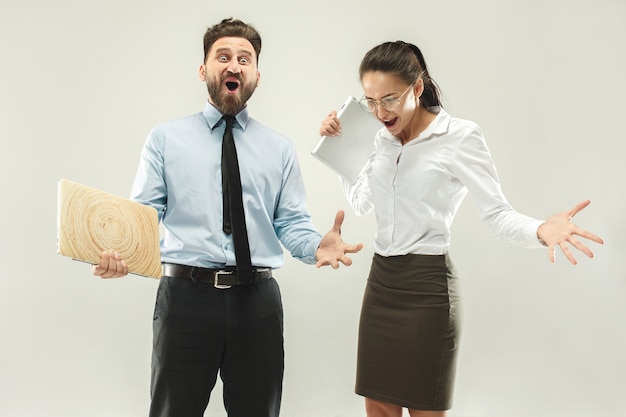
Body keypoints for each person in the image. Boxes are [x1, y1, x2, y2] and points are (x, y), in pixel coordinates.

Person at [91, 18, 363, 417]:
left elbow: (289, 222)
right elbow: (144, 216)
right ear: (204, 70)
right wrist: (120, 254)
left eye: (244, 59)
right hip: (185, 299)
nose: (233, 65)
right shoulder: (165, 139)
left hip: (257, 304)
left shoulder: (279, 149)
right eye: (223, 57)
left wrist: (315, 244)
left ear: (256, 75)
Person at [319, 40, 604, 417]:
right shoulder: (381, 139)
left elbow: (498, 215)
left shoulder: (459, 137)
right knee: (380, 409)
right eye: (369, 101)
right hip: (381, 284)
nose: (378, 111)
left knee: (425, 409)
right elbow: (361, 202)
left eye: (388, 99)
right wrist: (338, 148)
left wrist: (540, 229)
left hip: (427, 289)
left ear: (417, 88)